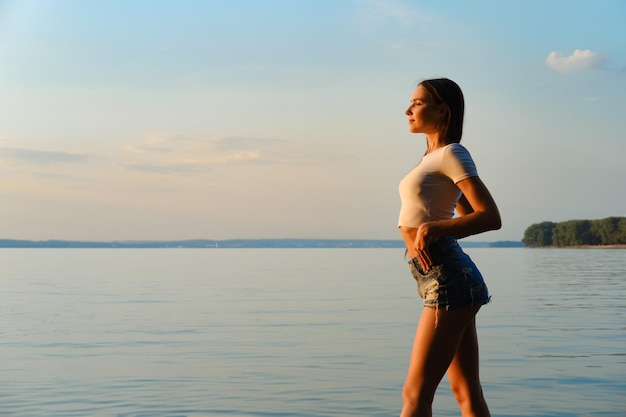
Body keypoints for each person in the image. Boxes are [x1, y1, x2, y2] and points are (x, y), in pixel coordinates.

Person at [397, 78, 501, 417]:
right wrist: (442, 220)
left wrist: (436, 227)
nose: (408, 109)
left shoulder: (452, 153)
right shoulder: (434, 157)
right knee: (465, 391)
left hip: (448, 278)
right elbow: (466, 214)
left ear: (443, 110)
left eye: (418, 102)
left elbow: (489, 217)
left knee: (415, 395)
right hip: (439, 276)